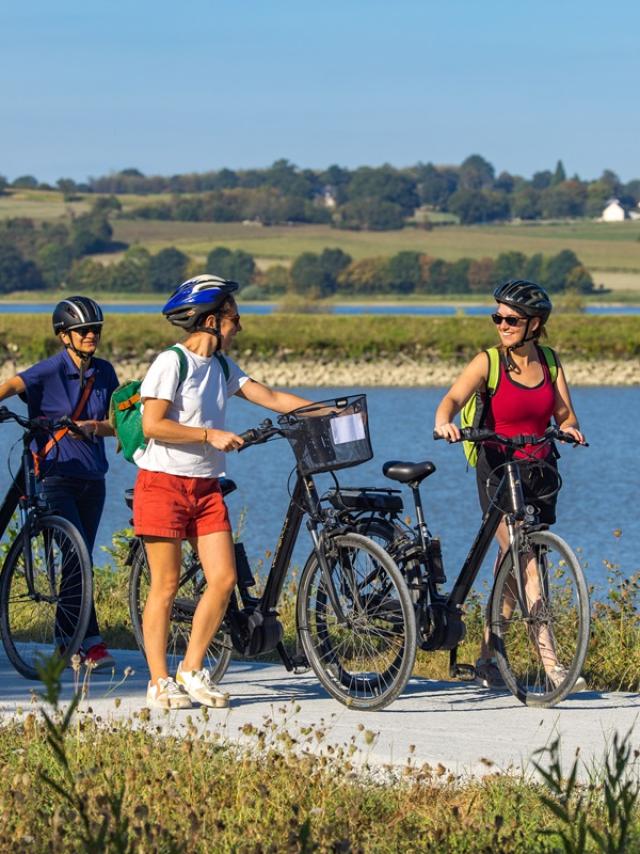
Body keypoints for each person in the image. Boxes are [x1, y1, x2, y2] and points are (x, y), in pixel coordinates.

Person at [135, 274, 313, 710]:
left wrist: (323, 409)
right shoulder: (170, 363)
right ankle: (159, 680)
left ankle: (191, 669)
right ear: (212, 320)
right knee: (166, 584)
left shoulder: (221, 367)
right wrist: (208, 435)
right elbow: (152, 425)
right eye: (236, 318)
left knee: (224, 578)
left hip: (206, 488)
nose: (240, 327)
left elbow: (267, 395)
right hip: (163, 484)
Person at [433, 279, 587, 691]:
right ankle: (554, 666)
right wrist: (444, 423)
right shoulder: (488, 362)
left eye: (511, 319)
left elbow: (564, 416)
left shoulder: (551, 362)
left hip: (538, 471)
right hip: (498, 470)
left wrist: (571, 430)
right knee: (527, 562)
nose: (501, 324)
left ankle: (487, 657)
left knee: (514, 564)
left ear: (534, 324)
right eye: (497, 316)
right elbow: (450, 400)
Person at [0, 296, 119, 670]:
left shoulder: (105, 372)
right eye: (83, 330)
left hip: (92, 478)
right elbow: (9, 385)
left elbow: (115, 424)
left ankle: (72, 640)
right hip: (53, 476)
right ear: (63, 335)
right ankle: (84, 643)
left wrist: (94, 428)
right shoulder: (48, 370)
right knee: (75, 555)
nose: (91, 336)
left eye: (95, 330)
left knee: (78, 558)